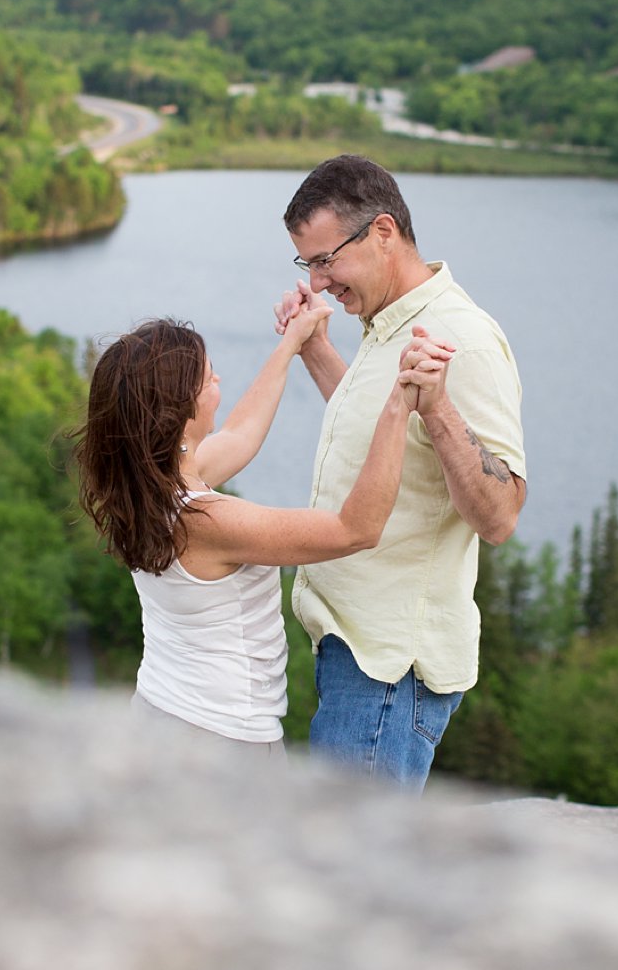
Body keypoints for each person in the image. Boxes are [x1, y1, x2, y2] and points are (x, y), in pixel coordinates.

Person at [73, 313, 448, 760]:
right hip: (222, 739)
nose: (218, 377)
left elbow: (240, 433)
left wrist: (291, 343)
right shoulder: (209, 522)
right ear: (180, 410)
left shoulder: (145, 488)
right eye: (206, 377)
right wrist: (398, 404)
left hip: (159, 710)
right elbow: (356, 529)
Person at [274, 154, 527, 790]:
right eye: (307, 264)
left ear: (383, 232)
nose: (321, 280)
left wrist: (440, 408)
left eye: (326, 258)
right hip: (355, 657)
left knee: (348, 870)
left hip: (388, 674)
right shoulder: (388, 325)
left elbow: (501, 515)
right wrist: (315, 349)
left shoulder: (462, 338)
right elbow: (380, 439)